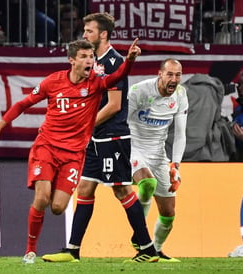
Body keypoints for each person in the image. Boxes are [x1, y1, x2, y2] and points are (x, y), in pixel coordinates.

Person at [0, 37, 142, 264]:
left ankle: (50, 200)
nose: (90, 61)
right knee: (41, 197)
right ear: (72, 61)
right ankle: (30, 251)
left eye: (91, 57)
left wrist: (129, 60)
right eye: (84, 57)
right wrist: (0, 126)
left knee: (58, 207)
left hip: (73, 154)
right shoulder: (54, 81)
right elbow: (24, 103)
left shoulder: (96, 84)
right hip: (46, 147)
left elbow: (118, 76)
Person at [41, 12, 159, 264]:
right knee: (85, 188)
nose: (84, 35)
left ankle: (147, 247)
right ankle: (72, 250)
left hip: (112, 136)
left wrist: (83, 123)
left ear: (103, 34)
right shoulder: (90, 62)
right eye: (84, 31)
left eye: (89, 31)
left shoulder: (115, 62)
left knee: (121, 189)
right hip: (95, 138)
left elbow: (114, 105)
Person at [127, 58, 188, 262]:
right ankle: (140, 235)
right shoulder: (139, 91)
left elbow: (180, 134)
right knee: (147, 183)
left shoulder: (180, 94)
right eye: (170, 74)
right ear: (160, 74)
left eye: (178, 75)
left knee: (169, 213)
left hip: (159, 155)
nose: (174, 79)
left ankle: (157, 250)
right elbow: (121, 121)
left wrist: (176, 165)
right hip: (134, 149)